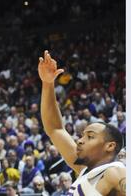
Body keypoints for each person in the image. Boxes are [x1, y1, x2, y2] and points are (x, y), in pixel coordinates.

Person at [38, 50, 125, 195]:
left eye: (90, 136)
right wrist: (47, 83)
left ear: (109, 146)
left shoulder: (115, 173)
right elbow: (55, 129)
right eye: (83, 135)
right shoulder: (86, 170)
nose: (80, 141)